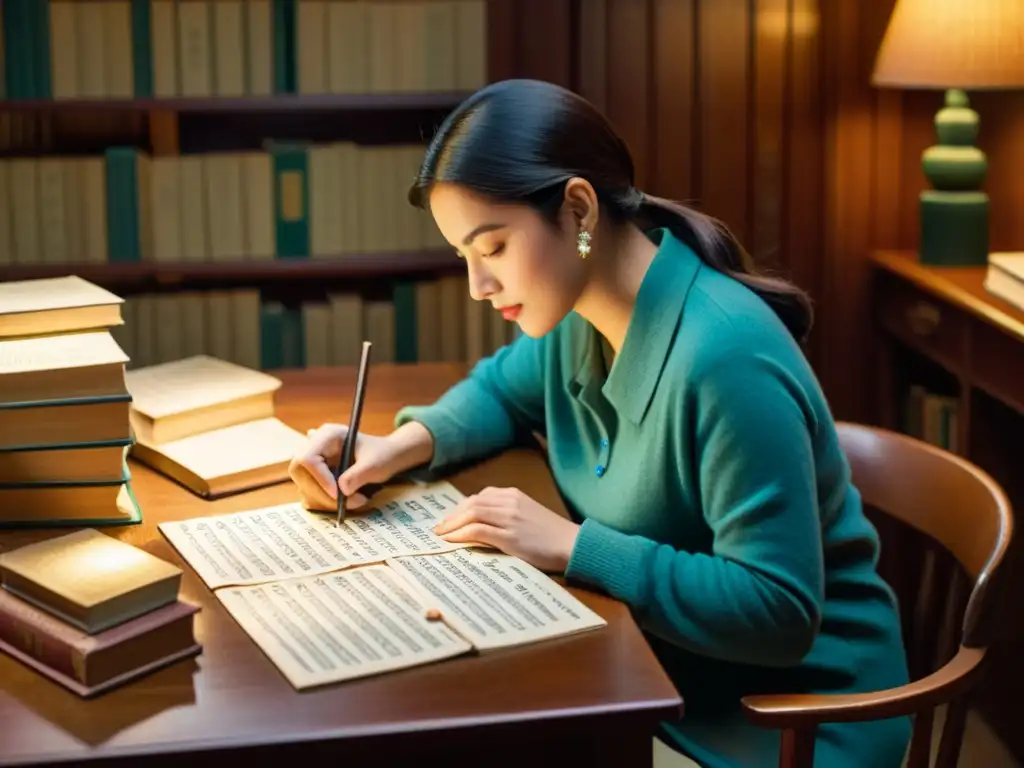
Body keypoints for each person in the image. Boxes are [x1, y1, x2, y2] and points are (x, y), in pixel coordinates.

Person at [288, 79, 912, 768]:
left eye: (491, 247)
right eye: (462, 256)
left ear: (577, 209)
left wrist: (572, 544)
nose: (477, 285)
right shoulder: (579, 315)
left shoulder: (725, 359)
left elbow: (778, 611)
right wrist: (396, 447)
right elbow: (501, 391)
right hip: (653, 675)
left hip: (788, 722)